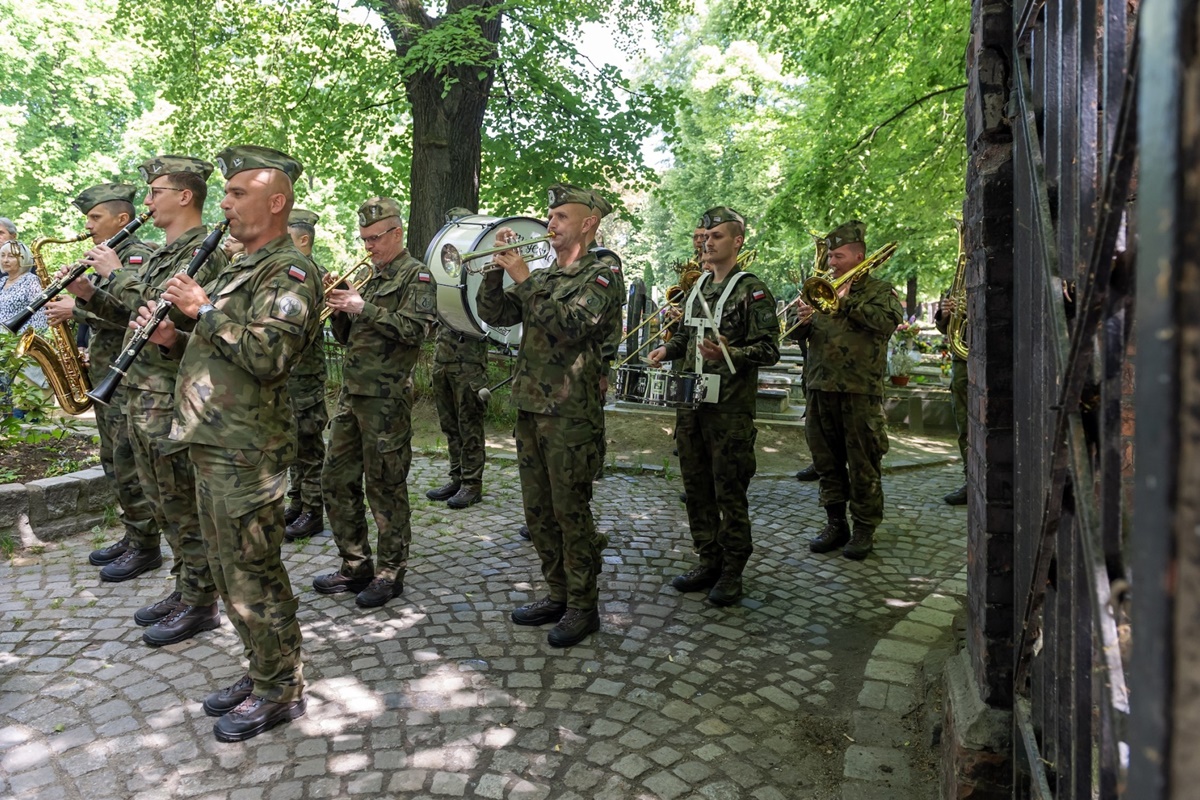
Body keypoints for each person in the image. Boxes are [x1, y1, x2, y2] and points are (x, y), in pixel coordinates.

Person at [137, 144, 320, 742]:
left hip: (248, 449)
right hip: (213, 440)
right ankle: (262, 668)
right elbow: (215, 348)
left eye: (240, 192)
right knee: (226, 569)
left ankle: (281, 688)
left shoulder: (290, 271)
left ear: (276, 201)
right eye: (227, 191)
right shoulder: (242, 264)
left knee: (253, 571)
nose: (227, 202)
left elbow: (269, 356)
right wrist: (170, 335)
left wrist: (203, 308)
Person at [68, 156, 226, 648]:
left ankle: (201, 601)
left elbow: (175, 317)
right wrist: (89, 294)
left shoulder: (206, 251)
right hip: (141, 391)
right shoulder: (165, 250)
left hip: (172, 395)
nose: (148, 199)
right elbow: (136, 309)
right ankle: (185, 586)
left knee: (181, 502)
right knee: (162, 501)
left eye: (156, 190)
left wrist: (113, 275)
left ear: (184, 196)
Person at [476, 183, 623, 648]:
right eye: (550, 215)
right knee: (537, 511)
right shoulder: (546, 275)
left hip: (570, 413)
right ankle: (557, 593)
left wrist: (524, 276)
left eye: (561, 216)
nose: (550, 224)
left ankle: (583, 605)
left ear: (588, 223)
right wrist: (495, 273)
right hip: (530, 407)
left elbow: (572, 325)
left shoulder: (602, 274)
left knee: (569, 510)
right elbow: (495, 313)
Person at [647, 207, 779, 606]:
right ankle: (708, 558)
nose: (707, 242)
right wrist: (666, 350)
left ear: (737, 241)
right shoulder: (699, 286)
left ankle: (733, 569)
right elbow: (686, 340)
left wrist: (728, 351)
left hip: (729, 410)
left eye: (717, 236)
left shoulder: (752, 289)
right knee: (696, 486)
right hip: (690, 405)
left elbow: (770, 348)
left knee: (729, 488)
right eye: (705, 237)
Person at [313, 197, 436, 608]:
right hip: (352, 398)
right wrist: (341, 308)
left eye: (374, 238)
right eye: (363, 239)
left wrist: (363, 307)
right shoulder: (372, 277)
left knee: (384, 486)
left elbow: (415, 331)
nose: (367, 247)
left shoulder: (415, 276)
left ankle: (390, 571)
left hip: (386, 400)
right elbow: (349, 339)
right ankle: (355, 565)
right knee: (335, 479)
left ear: (396, 233)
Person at [44, 184, 160, 569]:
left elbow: (140, 317)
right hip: (107, 372)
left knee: (128, 461)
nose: (88, 225)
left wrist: (76, 309)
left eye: (95, 217)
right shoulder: (105, 257)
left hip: (129, 376)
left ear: (121, 219)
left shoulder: (137, 257)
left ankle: (146, 545)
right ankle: (133, 534)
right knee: (113, 459)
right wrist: (82, 292)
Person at [791, 221, 904, 560]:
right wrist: (803, 321)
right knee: (826, 463)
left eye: (838, 256)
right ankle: (835, 523)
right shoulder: (821, 289)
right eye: (829, 255)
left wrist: (844, 305)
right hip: (819, 388)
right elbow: (799, 337)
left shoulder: (880, 290)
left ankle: (865, 528)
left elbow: (888, 322)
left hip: (859, 392)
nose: (831, 262)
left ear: (859, 256)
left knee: (863, 463)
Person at [282, 208, 329, 539]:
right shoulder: (291, 269)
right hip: (291, 372)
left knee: (309, 443)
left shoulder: (307, 272)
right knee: (294, 441)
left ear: (303, 239)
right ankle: (297, 502)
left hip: (305, 373)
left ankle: (313, 510)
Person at [934, 293, 968, 505]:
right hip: (962, 366)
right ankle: (970, 480)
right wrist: (945, 315)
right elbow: (945, 329)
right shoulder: (958, 286)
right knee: (965, 428)